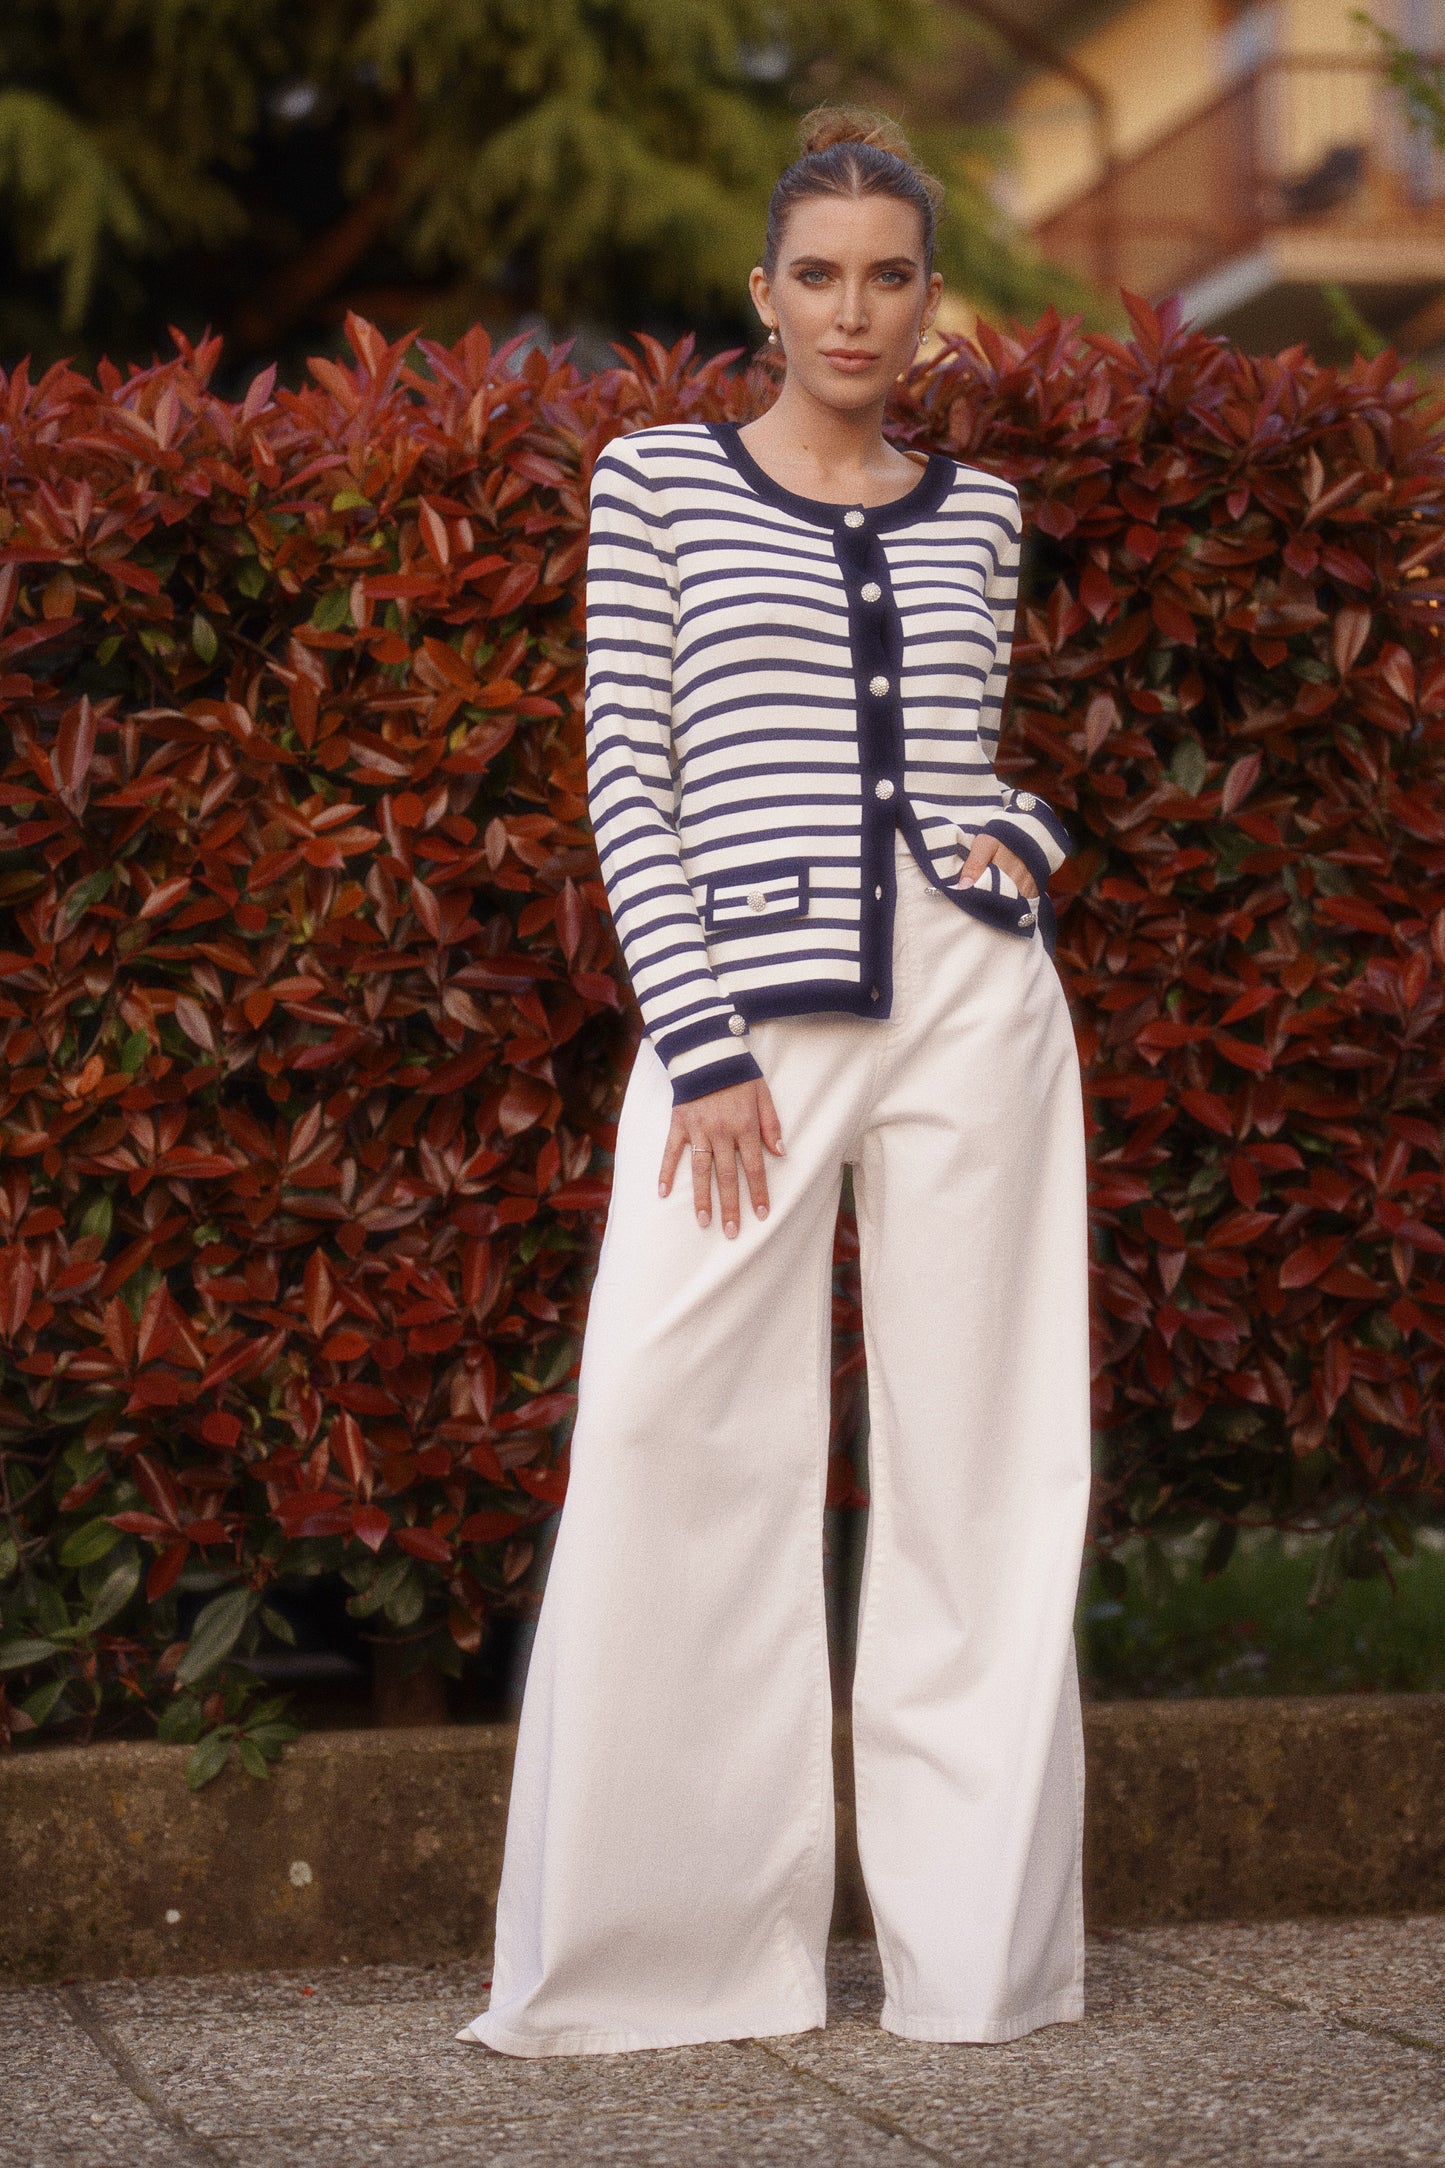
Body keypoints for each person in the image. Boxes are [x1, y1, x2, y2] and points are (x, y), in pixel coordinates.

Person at [457, 106, 1091, 2058]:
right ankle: (664, 1955)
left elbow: (969, 750)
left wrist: (1027, 843)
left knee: (985, 1469)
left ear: (928, 300)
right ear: (763, 292)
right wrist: (701, 1038)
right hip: (745, 1015)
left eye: (889, 277)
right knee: (674, 1440)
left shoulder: (981, 516)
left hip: (973, 1006)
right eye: (818, 275)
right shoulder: (655, 483)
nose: (853, 310)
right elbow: (626, 775)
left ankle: (976, 1969)